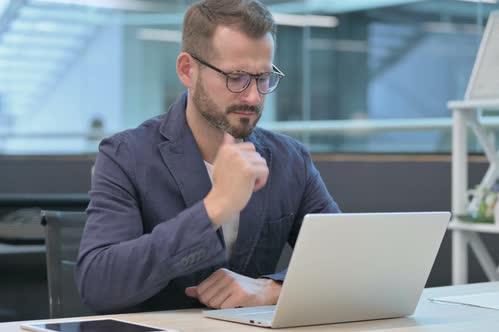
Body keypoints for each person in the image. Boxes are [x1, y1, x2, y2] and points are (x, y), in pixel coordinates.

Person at [75, 0, 340, 314]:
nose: (253, 96)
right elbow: (98, 284)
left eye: (263, 78)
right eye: (237, 77)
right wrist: (215, 207)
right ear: (188, 70)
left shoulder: (290, 160)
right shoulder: (126, 156)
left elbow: (347, 260)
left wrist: (272, 289)